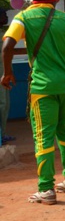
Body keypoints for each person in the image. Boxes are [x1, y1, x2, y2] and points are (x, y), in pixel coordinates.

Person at [2, 0, 65, 204]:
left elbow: (6, 46)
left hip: (43, 87)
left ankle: (46, 189)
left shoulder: (23, 17)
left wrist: (7, 73)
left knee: (43, 136)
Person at [0, 9, 14, 145]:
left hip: (5, 74)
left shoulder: (4, 34)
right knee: (2, 104)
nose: (6, 17)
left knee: (5, 104)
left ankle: (2, 134)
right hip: (1, 75)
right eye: (3, 15)